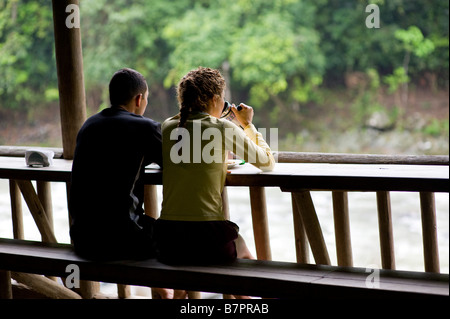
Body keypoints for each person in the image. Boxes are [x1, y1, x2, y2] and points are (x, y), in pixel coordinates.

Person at [155, 67, 275, 269]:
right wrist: (246, 124)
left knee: (185, 269)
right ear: (214, 99)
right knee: (244, 253)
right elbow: (267, 162)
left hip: (168, 238)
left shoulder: (167, 126)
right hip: (206, 237)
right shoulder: (221, 127)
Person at [69, 68, 162, 261]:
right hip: (125, 239)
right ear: (139, 99)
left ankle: (165, 292)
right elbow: (173, 163)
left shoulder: (88, 126)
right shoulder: (145, 127)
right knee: (181, 238)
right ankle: (175, 291)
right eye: (146, 99)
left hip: (83, 241)